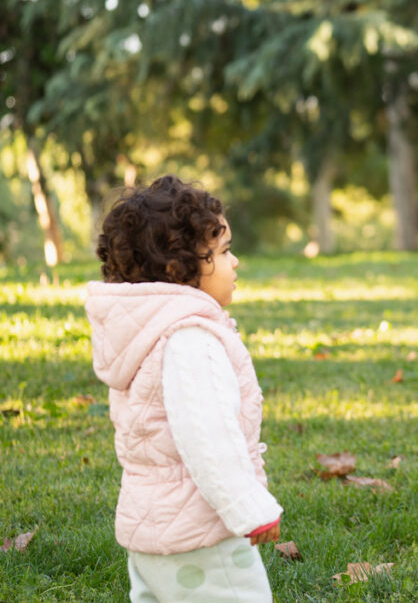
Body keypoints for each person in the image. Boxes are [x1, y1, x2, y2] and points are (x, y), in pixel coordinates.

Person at [85, 175, 283, 602]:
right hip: (202, 538)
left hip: (153, 537)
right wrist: (250, 509)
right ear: (180, 270)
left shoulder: (150, 336)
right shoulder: (190, 341)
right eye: (225, 252)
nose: (236, 263)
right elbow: (208, 438)